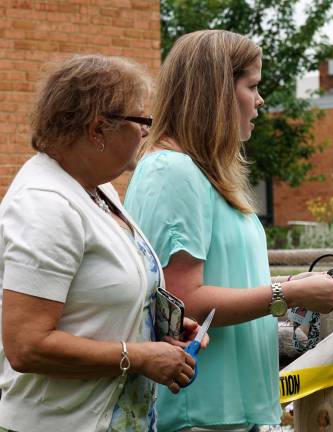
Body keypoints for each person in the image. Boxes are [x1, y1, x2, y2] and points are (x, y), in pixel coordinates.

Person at [124, 30, 333, 432]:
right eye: (252, 86)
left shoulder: (202, 172)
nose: (260, 100)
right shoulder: (173, 172)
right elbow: (184, 300)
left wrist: (293, 282)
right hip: (199, 409)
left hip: (229, 409)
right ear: (216, 93)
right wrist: (286, 294)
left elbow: (225, 279)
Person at [0, 54, 207, 432]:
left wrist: (157, 326)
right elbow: (26, 345)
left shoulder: (97, 190)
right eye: (142, 120)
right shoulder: (45, 206)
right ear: (98, 129)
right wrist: (139, 356)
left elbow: (96, 298)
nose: (147, 131)